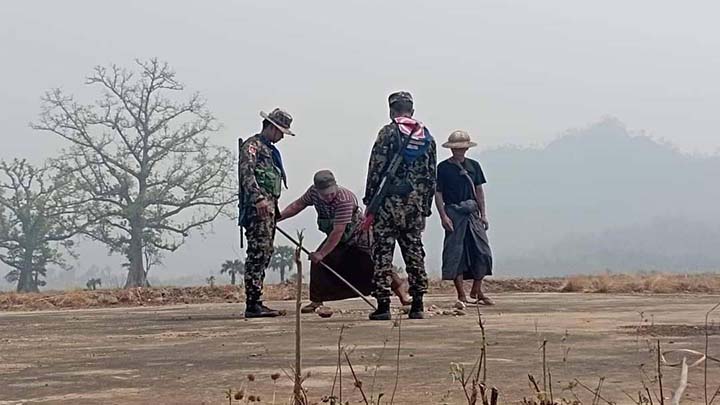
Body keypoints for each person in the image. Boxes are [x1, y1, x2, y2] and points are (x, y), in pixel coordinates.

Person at [278, 170, 411, 313]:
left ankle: (402, 294)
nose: (329, 196)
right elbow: (297, 205)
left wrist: (322, 253)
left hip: (358, 235)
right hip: (336, 236)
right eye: (325, 194)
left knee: (377, 264)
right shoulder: (313, 193)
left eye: (331, 192)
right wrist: (278, 217)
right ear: (317, 190)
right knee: (319, 265)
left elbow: (338, 231)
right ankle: (316, 301)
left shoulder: (344, 200)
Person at [363, 91, 437, 320]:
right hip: (414, 207)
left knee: (383, 253)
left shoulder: (387, 133)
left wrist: (370, 201)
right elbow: (431, 177)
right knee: (414, 252)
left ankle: (383, 306)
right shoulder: (426, 137)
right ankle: (418, 305)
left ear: (391, 111)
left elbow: (375, 168)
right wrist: (425, 208)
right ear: (411, 111)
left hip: (388, 205)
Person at [238, 108, 294, 318]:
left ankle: (257, 300)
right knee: (258, 253)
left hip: (269, 210)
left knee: (265, 252)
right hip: (257, 209)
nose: (281, 137)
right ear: (271, 127)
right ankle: (253, 303)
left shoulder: (269, 150)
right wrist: (258, 198)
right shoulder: (253, 146)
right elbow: (247, 173)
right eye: (280, 132)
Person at [435, 130, 494, 308]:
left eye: (462, 147)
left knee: (483, 251)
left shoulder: (474, 166)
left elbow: (479, 191)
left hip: (472, 213)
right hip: (454, 212)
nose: (459, 151)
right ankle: (461, 294)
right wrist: (443, 216)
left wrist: (483, 214)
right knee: (456, 253)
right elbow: (438, 193)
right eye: (456, 148)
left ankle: (477, 289)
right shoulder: (443, 168)